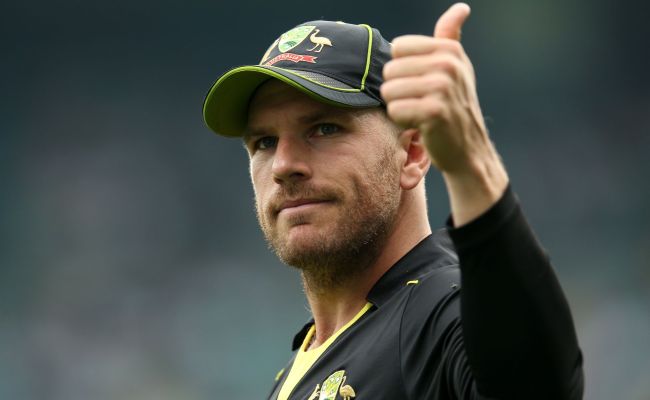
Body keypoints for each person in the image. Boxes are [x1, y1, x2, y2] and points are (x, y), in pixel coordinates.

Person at [202, 3, 584, 399]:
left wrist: (472, 164)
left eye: (325, 128)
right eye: (264, 142)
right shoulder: (297, 368)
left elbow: (534, 385)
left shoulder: (443, 314)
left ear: (413, 151)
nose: (283, 165)